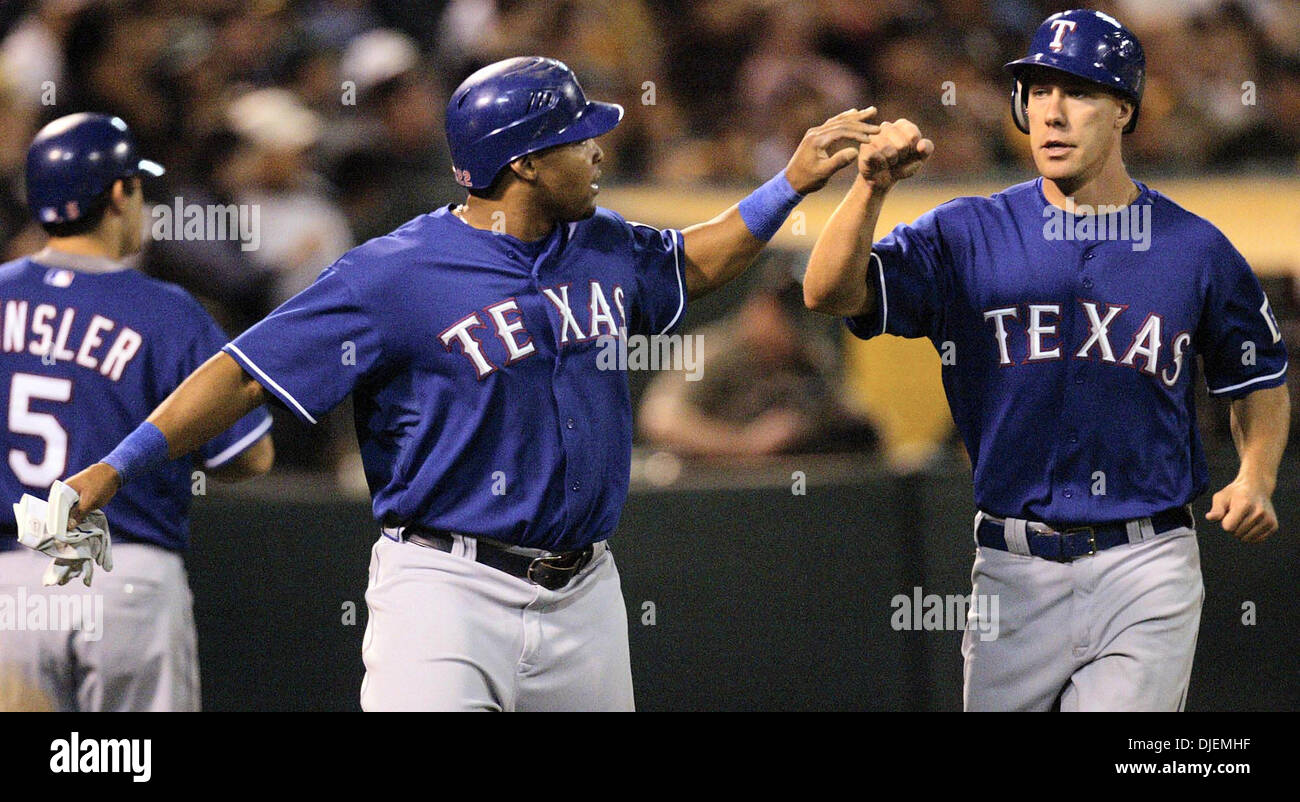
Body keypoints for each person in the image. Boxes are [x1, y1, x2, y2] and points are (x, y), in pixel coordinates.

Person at [60, 57, 878, 711]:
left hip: (585, 590)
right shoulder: (394, 274)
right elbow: (244, 377)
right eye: (576, 137)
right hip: (446, 589)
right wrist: (115, 467)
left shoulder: (600, 243)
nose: (598, 148)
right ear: (521, 162)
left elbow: (693, 263)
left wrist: (793, 182)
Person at [803, 9, 1289, 711]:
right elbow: (827, 292)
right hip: (1012, 570)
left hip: (1144, 563)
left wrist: (1257, 474)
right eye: (1037, 90)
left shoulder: (1194, 248)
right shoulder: (967, 232)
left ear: (1123, 109)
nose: (1052, 113)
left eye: (1079, 91)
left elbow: (1257, 377)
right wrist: (870, 187)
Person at [0, 113, 274, 711]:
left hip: (12, 581)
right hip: (126, 574)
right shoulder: (166, 310)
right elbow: (251, 455)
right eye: (138, 187)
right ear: (119, 192)